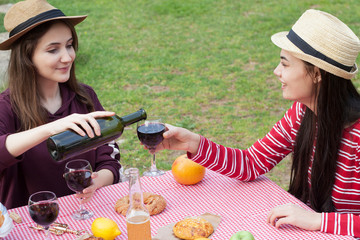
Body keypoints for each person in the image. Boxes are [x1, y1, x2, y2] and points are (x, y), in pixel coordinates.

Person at [155, 9, 360, 238]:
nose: (276, 71)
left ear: (317, 74)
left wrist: (318, 220)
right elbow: (252, 163)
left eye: (285, 64)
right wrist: (194, 143)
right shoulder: (302, 113)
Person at [0, 0, 121, 209]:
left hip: (88, 213)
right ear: (26, 57)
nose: (68, 57)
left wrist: (99, 179)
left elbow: (108, 155)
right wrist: (51, 128)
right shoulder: (6, 107)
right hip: (31, 225)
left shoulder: (84, 96)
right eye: (53, 50)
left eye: (69, 45)